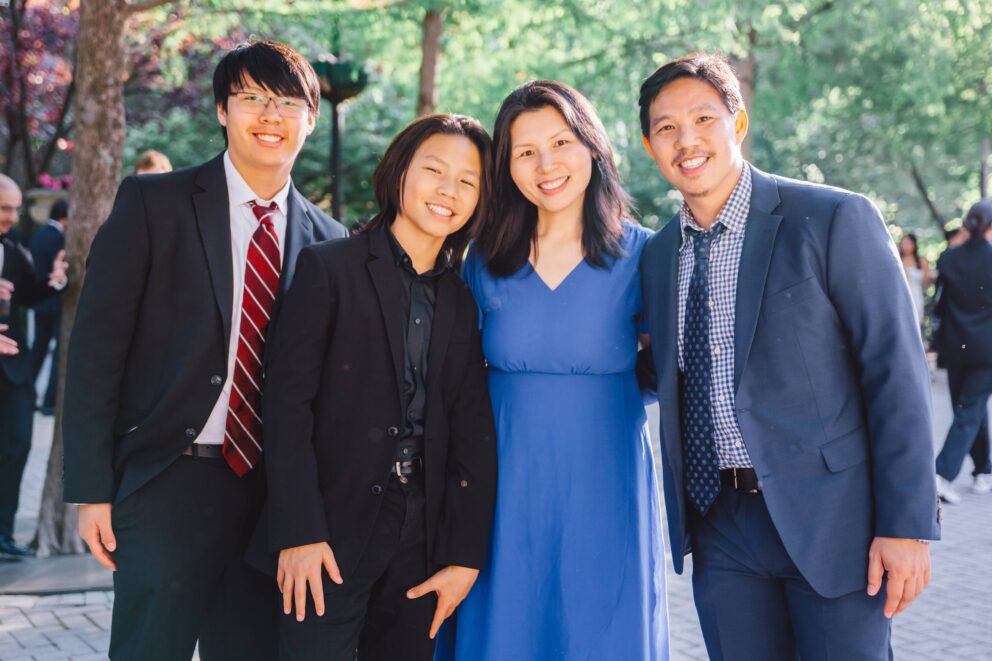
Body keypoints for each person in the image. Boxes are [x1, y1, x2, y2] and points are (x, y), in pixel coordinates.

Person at [638, 53, 938, 660]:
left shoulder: (832, 218)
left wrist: (906, 525)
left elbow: (894, 372)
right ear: (649, 146)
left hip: (835, 521)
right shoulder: (658, 255)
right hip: (721, 526)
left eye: (703, 118)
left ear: (738, 123)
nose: (686, 140)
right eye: (667, 128)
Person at [62, 39, 347, 660]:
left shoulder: (330, 242)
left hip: (270, 497)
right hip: (168, 480)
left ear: (310, 119)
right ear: (222, 110)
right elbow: (95, 354)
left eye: (287, 103)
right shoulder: (153, 205)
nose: (270, 116)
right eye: (252, 98)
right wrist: (91, 489)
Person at [247, 113, 497, 661]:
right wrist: (299, 531)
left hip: (420, 539)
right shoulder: (329, 268)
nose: (448, 190)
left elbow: (471, 433)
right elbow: (286, 405)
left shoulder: (462, 301)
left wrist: (463, 556)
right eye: (434, 170)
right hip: (328, 533)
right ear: (400, 171)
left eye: (468, 181)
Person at [437, 80, 669, 661]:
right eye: (526, 151)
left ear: (592, 145)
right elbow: (455, 378)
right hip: (502, 483)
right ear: (506, 167)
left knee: (601, 630)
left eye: (561, 143)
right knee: (505, 628)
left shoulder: (644, 255)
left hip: (606, 478)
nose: (546, 165)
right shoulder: (483, 259)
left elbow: (668, 362)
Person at [0, 174, 68, 559]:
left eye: (14, 209)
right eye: (4, 209)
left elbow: (28, 292)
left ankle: (3, 534)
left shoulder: (13, 245)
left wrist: (55, 281)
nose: (12, 217)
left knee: (18, 446)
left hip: (14, 371)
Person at [932, 200, 992, 502]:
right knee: (969, 410)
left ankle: (982, 470)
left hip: (955, 346)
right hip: (986, 351)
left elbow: (939, 305)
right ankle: (943, 475)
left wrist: (935, 344)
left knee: (967, 409)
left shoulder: (949, 257)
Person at [29, 198, 68, 415]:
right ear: (65, 216)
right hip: (54, 301)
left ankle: (27, 394)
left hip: (39, 302)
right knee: (58, 354)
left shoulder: (38, 234)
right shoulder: (60, 238)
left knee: (38, 350)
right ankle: (49, 402)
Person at [898, 232, 931, 332]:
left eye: (908, 243)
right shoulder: (898, 260)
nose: (906, 246)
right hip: (900, 294)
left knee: (916, 320)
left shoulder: (921, 261)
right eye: (904, 243)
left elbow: (926, 282)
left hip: (916, 294)